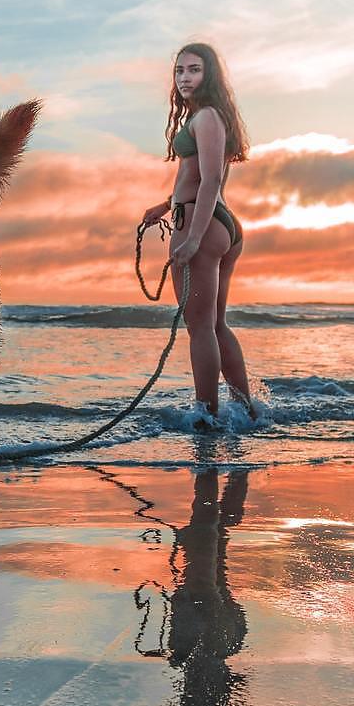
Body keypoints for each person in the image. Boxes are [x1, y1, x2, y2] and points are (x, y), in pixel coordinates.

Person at [140, 42, 255, 426]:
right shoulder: (212, 117)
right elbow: (194, 178)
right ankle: (246, 410)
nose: (185, 77)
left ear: (209, 75)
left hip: (201, 223)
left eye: (194, 70)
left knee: (200, 327)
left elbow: (209, 181)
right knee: (216, 324)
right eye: (179, 71)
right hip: (219, 223)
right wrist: (165, 205)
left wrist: (191, 238)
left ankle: (206, 416)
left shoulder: (206, 117)